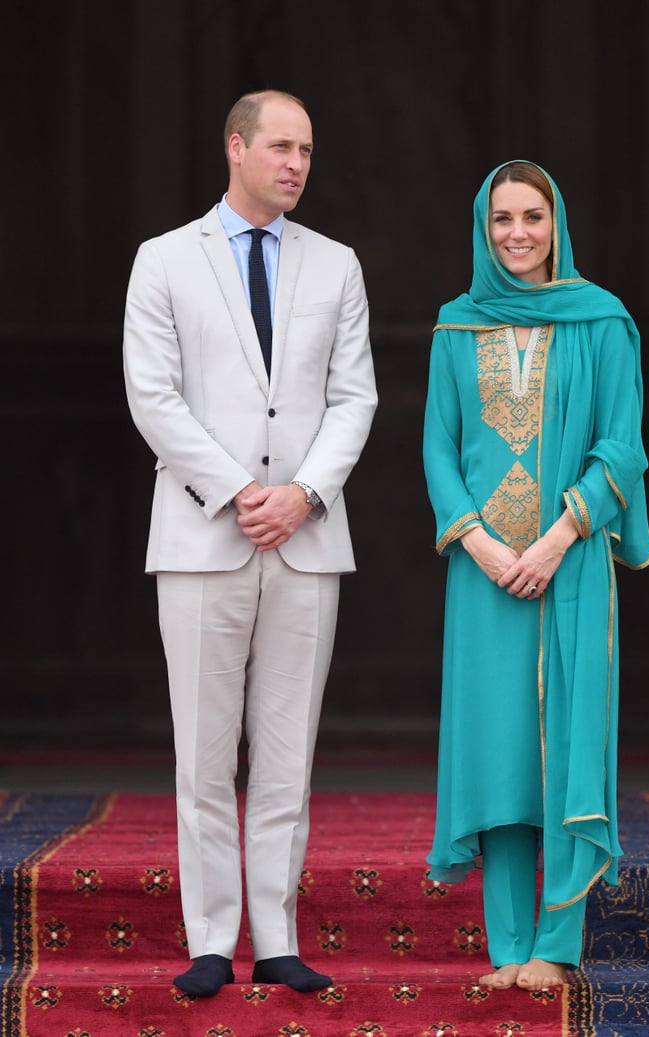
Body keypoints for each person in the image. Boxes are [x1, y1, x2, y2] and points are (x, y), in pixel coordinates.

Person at [122, 89, 377, 998]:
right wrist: (239, 491)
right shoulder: (163, 260)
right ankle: (207, 940)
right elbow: (153, 397)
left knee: (286, 751)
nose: (297, 163)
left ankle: (275, 936)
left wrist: (304, 493)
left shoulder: (337, 264)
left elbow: (356, 398)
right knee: (202, 753)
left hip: (307, 540)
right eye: (281, 146)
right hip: (201, 536)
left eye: (306, 148)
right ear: (235, 147)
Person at [422, 160, 649, 993]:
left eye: (532, 217)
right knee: (501, 754)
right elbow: (437, 450)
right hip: (484, 576)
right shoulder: (456, 326)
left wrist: (556, 540)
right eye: (500, 220)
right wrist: (480, 545)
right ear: (481, 230)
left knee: (563, 748)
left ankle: (555, 945)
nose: (516, 234)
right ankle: (507, 946)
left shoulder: (602, 321)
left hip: (573, 563)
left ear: (558, 224)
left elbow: (621, 446)